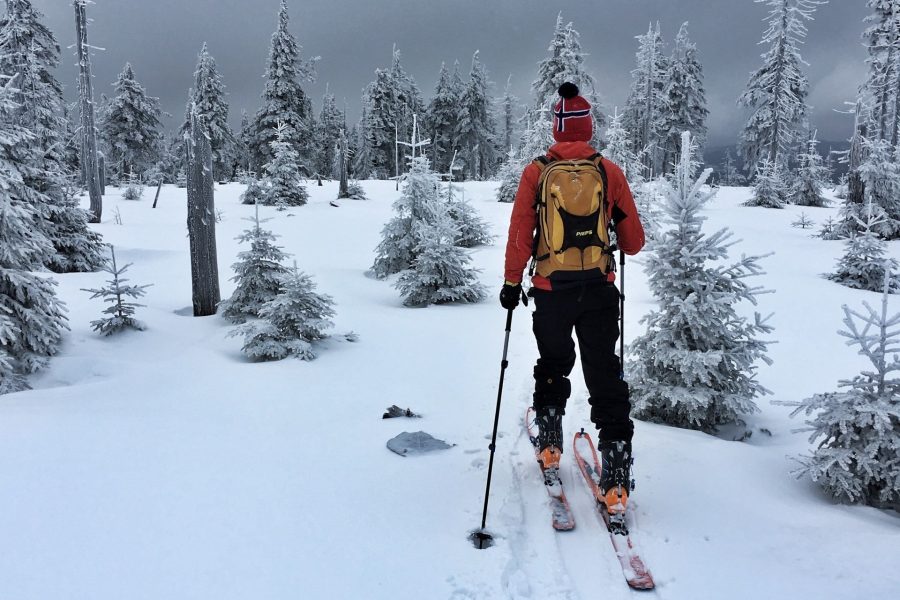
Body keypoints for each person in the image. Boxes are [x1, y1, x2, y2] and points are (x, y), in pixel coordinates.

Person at [500, 82, 645, 512]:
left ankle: (549, 445)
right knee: (605, 376)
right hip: (599, 290)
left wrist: (511, 282)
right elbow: (634, 242)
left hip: (550, 291)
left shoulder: (537, 171)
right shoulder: (608, 171)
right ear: (589, 126)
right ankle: (616, 479)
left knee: (553, 363)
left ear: (556, 128)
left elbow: (519, 233)